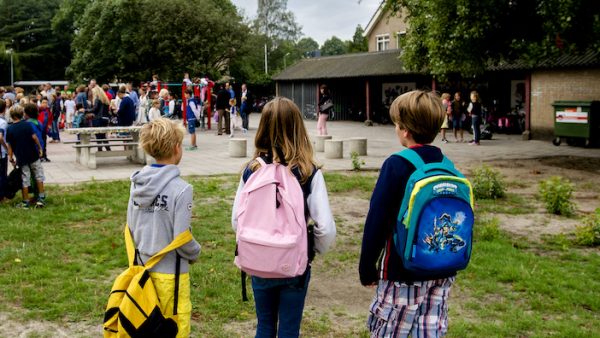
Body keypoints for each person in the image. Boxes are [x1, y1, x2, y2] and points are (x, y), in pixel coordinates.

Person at [231, 97, 336, 338]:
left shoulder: (252, 170)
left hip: (259, 262)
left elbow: (237, 220)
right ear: (298, 128)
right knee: (289, 329)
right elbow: (325, 227)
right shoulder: (308, 172)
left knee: (264, 325)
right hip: (294, 266)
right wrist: (312, 250)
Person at [359, 90, 455, 337]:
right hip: (441, 270)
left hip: (402, 273)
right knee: (429, 331)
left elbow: (377, 221)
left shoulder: (397, 164)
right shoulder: (447, 166)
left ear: (404, 130)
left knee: (391, 331)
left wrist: (367, 266)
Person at [127, 118, 201, 338]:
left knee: (146, 329)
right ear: (177, 148)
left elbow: (130, 227)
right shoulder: (182, 189)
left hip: (142, 273)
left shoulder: (136, 183)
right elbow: (182, 239)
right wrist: (196, 252)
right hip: (172, 278)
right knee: (173, 329)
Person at [6, 105, 46, 209]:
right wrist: (40, 148)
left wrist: (10, 157)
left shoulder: (10, 129)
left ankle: (25, 202)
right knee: (38, 175)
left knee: (25, 179)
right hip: (33, 155)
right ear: (22, 114)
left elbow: (10, 145)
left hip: (21, 157)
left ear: (11, 115)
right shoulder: (27, 125)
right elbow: (34, 137)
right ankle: (41, 199)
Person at [89, 86, 111, 151]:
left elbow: (95, 109)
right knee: (103, 136)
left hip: (98, 119)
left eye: (93, 92)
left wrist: (85, 110)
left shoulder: (97, 99)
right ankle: (108, 149)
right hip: (105, 119)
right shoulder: (105, 99)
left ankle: (100, 150)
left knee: (98, 136)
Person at [0, 99, 8, 201]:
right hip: (1, 152)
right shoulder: (2, 122)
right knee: (2, 174)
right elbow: (0, 137)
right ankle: (1, 196)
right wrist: (6, 147)